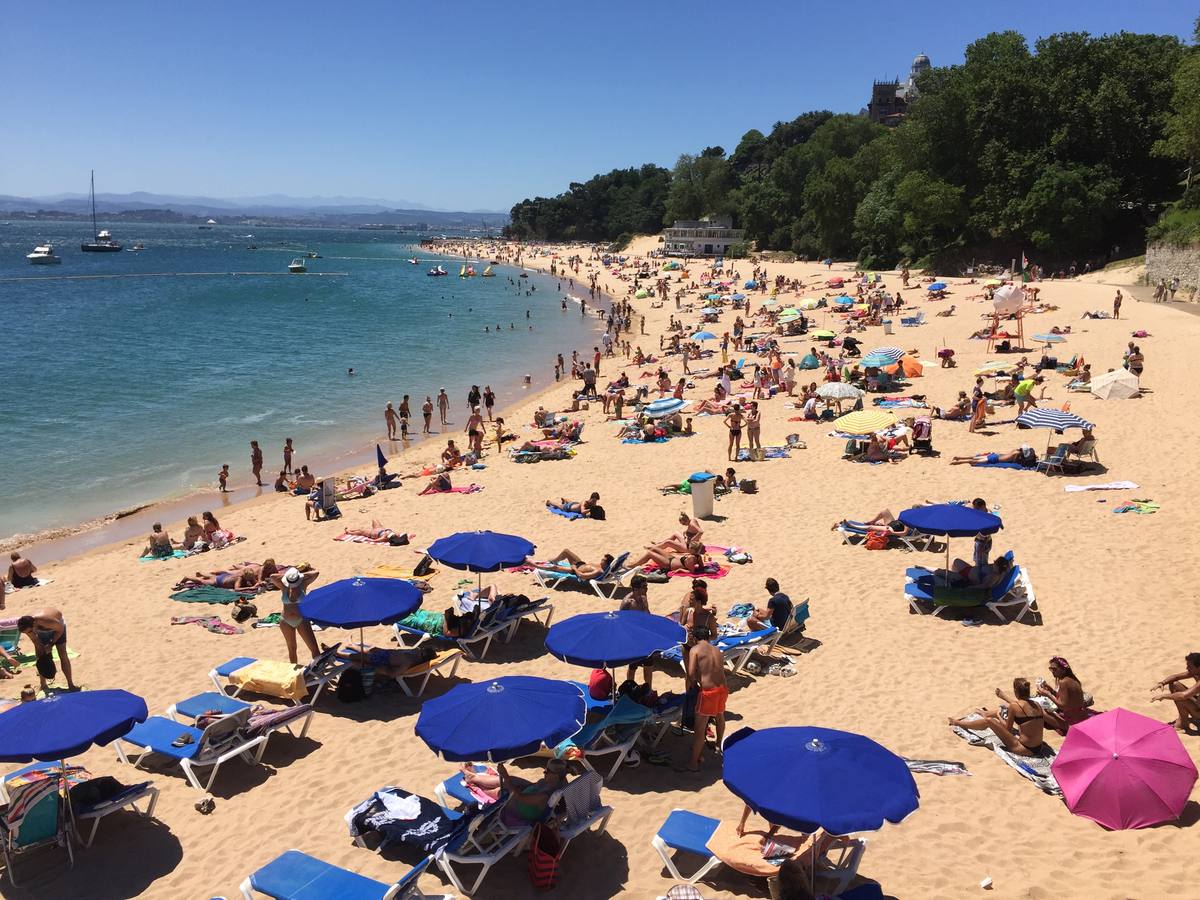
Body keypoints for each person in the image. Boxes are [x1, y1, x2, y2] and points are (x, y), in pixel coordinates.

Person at [949, 678, 1045, 757]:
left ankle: (957, 723)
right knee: (1006, 711)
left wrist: (999, 716)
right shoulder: (1036, 705)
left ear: (1016, 691)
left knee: (989, 721)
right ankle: (985, 713)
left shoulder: (1015, 706)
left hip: (1023, 748)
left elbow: (1008, 729)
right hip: (1038, 748)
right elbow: (1021, 709)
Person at [461, 759, 569, 827]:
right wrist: (508, 779)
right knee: (511, 780)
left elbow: (520, 797)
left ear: (555, 775)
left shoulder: (545, 796)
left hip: (520, 807)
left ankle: (478, 785)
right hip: (530, 795)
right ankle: (475, 778)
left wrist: (505, 776)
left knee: (502, 790)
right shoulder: (561, 781)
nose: (544, 772)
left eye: (547, 771)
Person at [685, 624, 727, 771]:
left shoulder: (695, 650)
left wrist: (695, 681)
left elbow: (690, 674)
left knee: (699, 729)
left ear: (695, 638)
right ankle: (717, 744)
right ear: (708, 637)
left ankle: (693, 763)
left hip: (708, 692)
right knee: (720, 717)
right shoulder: (717, 650)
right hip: (722, 689)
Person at [268, 567, 322, 664]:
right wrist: (288, 577)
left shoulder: (303, 583)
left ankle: (320, 672)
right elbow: (272, 576)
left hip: (301, 619)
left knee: (314, 649)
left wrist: (299, 577)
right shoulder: (283, 586)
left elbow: (316, 573)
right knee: (292, 649)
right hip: (285, 621)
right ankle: (293, 674)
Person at [17, 608, 77, 692]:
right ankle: (43, 684)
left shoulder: (47, 621)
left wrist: (51, 644)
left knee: (62, 653)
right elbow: (34, 640)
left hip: (58, 627)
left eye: (30, 631)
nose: (30, 633)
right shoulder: (26, 626)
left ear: (34, 624)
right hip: (41, 630)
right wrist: (43, 653)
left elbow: (60, 630)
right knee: (40, 656)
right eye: (28, 632)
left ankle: (71, 684)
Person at [1037, 657, 1089, 733]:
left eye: (1055, 669)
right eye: (1050, 669)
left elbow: (1063, 705)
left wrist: (1047, 694)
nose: (1052, 671)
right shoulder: (1072, 679)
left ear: (1063, 669)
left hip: (1073, 721)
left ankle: (1065, 728)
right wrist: (1051, 691)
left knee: (1041, 711)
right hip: (1080, 714)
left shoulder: (1063, 682)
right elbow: (1066, 699)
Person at [1151, 652, 1200, 732]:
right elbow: (1176, 676)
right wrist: (1162, 683)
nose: (1187, 668)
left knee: (1180, 698)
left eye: (1190, 666)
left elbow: (1183, 696)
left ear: (1199, 667)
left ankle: (1183, 724)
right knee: (1175, 685)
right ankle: (1183, 718)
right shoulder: (1196, 672)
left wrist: (1164, 696)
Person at [538, 549, 615, 581]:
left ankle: (537, 567)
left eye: (603, 560)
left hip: (574, 571)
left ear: (607, 563)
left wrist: (574, 568)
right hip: (581, 564)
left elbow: (582, 576)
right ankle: (554, 560)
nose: (601, 560)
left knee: (555, 567)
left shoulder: (599, 571)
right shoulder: (604, 567)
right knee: (566, 551)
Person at [950, 445, 1037, 467]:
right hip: (995, 459)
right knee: (974, 461)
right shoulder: (1017, 454)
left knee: (974, 457)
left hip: (996, 455)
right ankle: (958, 462)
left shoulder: (1015, 450)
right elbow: (1017, 463)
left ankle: (959, 457)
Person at [342, 519, 410, 546]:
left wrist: (369, 540)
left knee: (361, 531)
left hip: (373, 533)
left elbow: (378, 540)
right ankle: (350, 531)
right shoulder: (395, 535)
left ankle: (349, 532)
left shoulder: (386, 537)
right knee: (374, 520)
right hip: (380, 528)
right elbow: (403, 535)